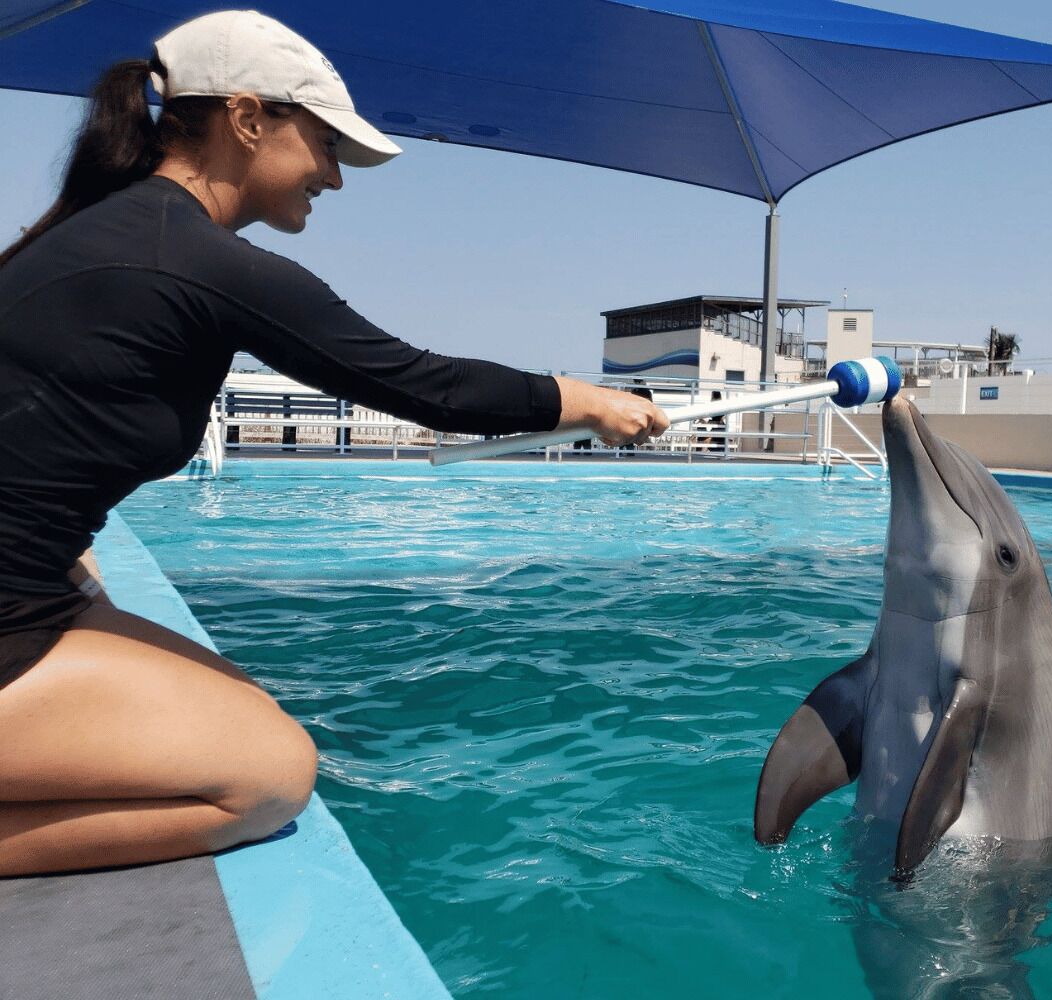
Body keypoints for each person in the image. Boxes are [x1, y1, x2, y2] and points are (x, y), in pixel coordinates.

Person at [0, 10, 667, 877]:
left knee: (225, 696)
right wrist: (583, 402)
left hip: (26, 590)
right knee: (269, 776)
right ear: (247, 120)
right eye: (324, 145)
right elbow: (424, 385)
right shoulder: (192, 257)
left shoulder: (113, 233)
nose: (336, 178)